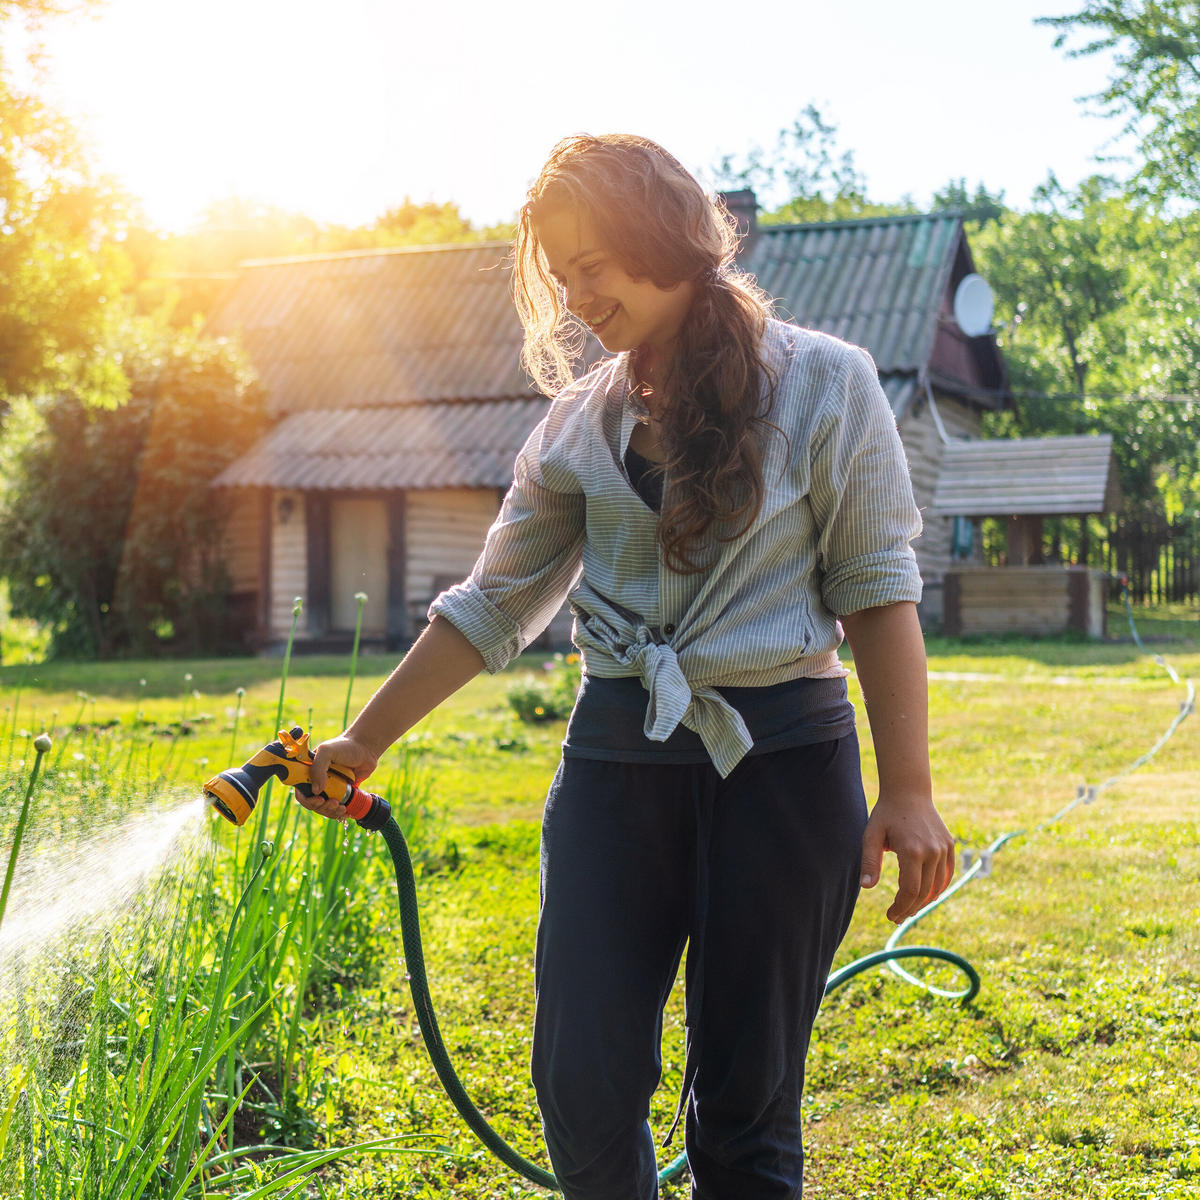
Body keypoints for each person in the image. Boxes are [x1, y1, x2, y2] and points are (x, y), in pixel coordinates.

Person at [300, 133, 956, 1200]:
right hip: (615, 763)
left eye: (591, 264)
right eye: (560, 275)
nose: (575, 294)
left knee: (745, 1107)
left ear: (666, 236)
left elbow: (877, 591)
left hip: (782, 765)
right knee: (582, 1081)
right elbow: (492, 603)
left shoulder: (829, 385)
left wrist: (911, 791)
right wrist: (362, 741)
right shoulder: (577, 423)